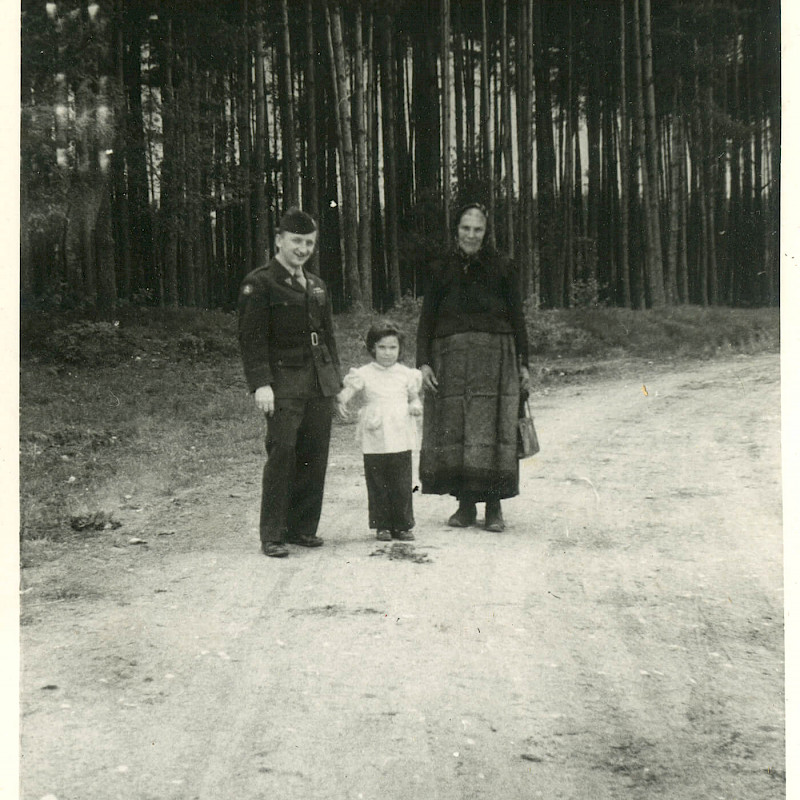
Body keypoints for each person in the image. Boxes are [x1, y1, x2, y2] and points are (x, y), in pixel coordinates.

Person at [416, 202, 531, 532]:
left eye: (477, 229)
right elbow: (427, 318)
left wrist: (524, 362)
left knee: (494, 429)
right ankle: (465, 506)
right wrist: (423, 362)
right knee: (458, 428)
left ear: (486, 232)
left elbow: (517, 315)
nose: (471, 234)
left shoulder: (504, 266)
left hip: (496, 357)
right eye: (465, 228)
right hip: (449, 357)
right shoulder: (440, 267)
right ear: (457, 230)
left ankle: (494, 508)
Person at [238, 207, 342, 558]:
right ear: (279, 239)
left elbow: (328, 336)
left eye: (309, 243)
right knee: (282, 453)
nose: (302, 249)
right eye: (296, 241)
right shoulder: (260, 283)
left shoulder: (316, 285)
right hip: (282, 382)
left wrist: (335, 382)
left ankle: (302, 528)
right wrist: (260, 384)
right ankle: (273, 534)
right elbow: (252, 340)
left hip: (317, 380)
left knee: (315, 454)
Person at [336, 320, 423, 542]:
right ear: (372, 348)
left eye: (393, 347)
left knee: (402, 481)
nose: (387, 353)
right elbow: (349, 391)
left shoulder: (406, 374)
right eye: (382, 347)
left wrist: (415, 406)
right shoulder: (364, 373)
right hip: (375, 432)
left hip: (400, 432)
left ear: (400, 349)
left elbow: (413, 397)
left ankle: (403, 525)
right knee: (377, 480)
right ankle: (382, 525)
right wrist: (341, 402)